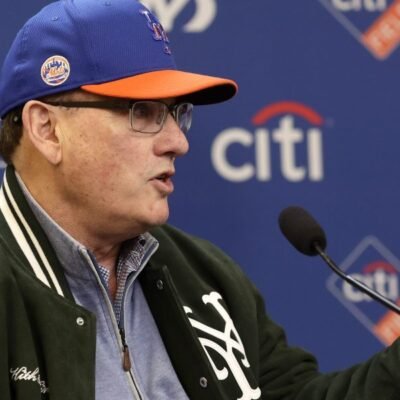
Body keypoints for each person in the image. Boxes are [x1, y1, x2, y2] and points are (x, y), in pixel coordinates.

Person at [0, 0, 399, 399]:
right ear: (47, 129)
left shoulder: (205, 274)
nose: (178, 142)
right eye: (142, 112)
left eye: (177, 113)